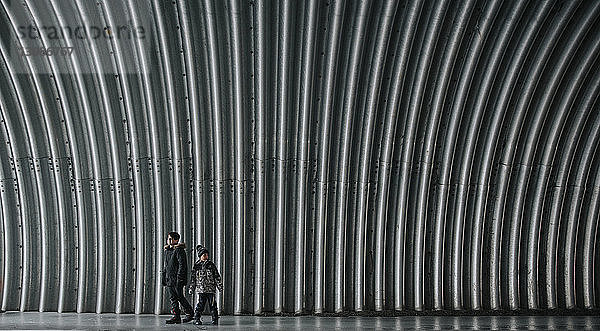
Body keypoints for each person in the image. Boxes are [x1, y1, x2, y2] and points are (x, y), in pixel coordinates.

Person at [162, 231, 194, 324]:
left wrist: (179, 278)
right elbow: (166, 265)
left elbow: (182, 265)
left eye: (171, 239)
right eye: (168, 239)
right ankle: (176, 316)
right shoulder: (167, 251)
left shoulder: (179, 250)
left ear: (176, 240)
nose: (169, 240)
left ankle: (190, 313)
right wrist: (164, 277)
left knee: (180, 297)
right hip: (169, 279)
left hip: (177, 280)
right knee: (173, 298)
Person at [188, 245, 223, 325]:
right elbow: (193, 279)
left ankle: (215, 319)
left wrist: (219, 286)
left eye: (207, 255)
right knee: (200, 305)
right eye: (204, 255)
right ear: (200, 256)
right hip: (201, 289)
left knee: (213, 305)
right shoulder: (197, 266)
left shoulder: (211, 265)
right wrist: (191, 288)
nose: (206, 256)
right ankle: (197, 318)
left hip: (211, 289)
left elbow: (217, 276)